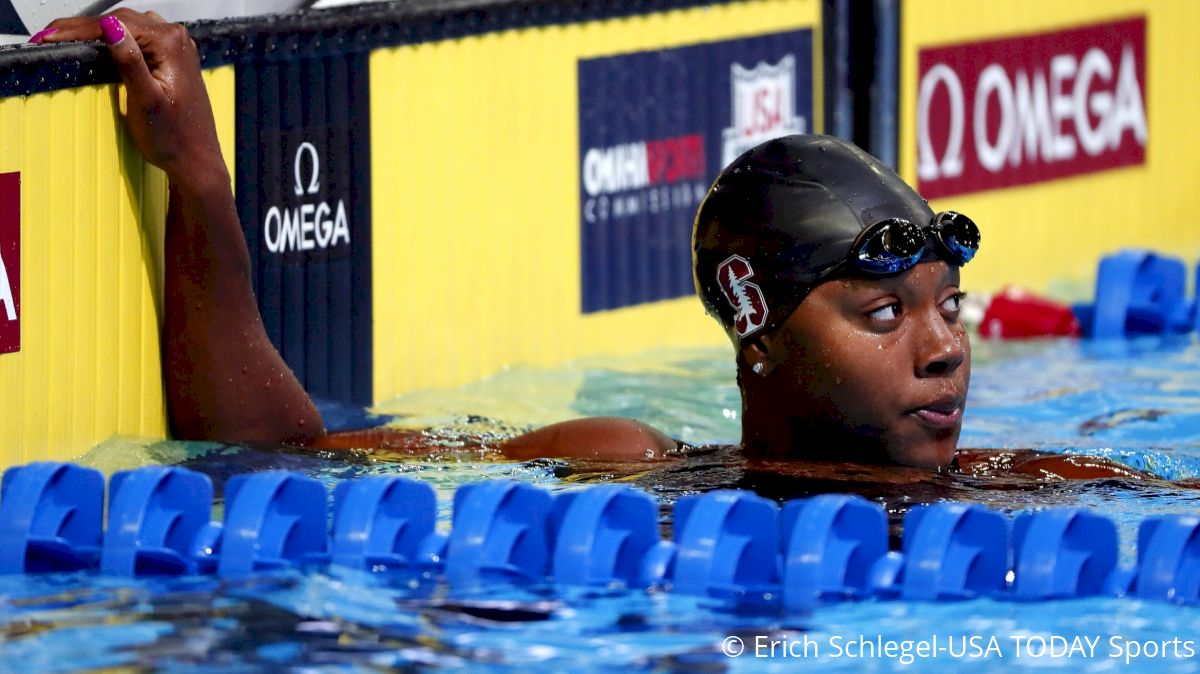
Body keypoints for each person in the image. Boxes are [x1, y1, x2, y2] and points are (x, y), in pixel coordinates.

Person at [31, 11, 1155, 483]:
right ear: (754, 329)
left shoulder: (1035, 495)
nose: (946, 347)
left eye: (947, 305)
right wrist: (200, 179)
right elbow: (279, 456)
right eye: (882, 312)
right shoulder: (623, 462)